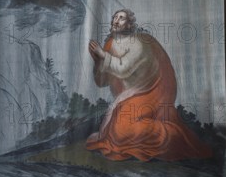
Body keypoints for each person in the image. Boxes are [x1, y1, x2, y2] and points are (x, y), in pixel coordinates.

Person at [87, 9, 213, 162]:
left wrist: (102, 55)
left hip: (148, 94)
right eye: (115, 17)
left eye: (121, 18)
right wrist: (97, 61)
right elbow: (102, 82)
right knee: (119, 129)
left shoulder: (139, 44)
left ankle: (174, 135)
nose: (115, 20)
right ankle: (140, 140)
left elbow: (122, 68)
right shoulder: (110, 45)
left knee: (121, 129)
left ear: (129, 24)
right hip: (128, 96)